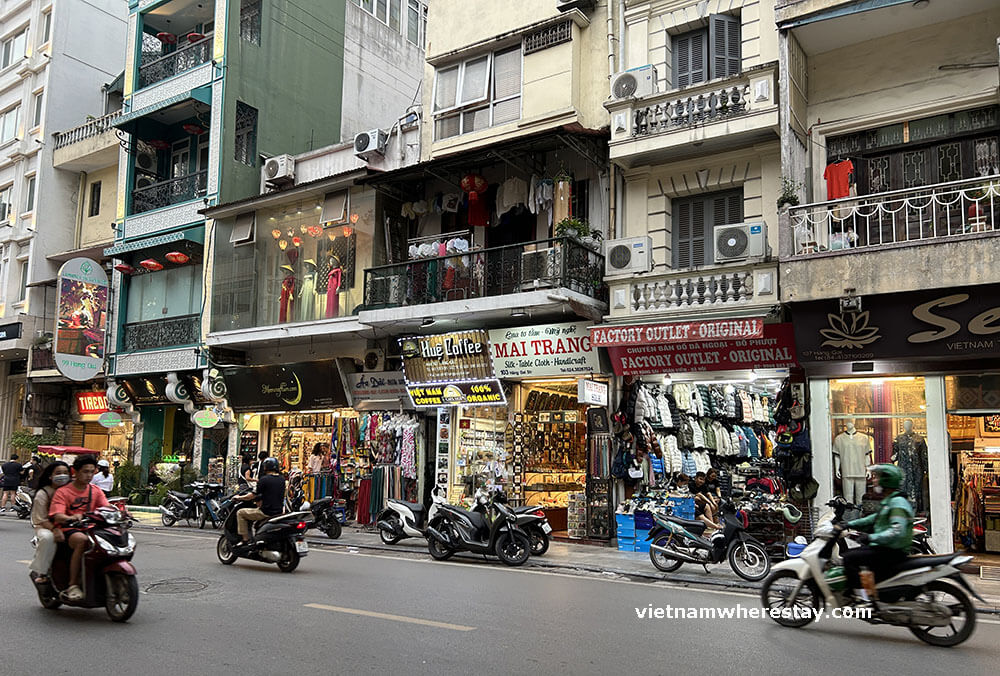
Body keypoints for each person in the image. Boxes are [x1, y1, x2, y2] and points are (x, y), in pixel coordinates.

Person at [839, 464, 914, 603]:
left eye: (878, 478)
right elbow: (874, 518)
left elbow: (897, 531)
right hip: (885, 548)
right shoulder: (890, 500)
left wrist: (871, 537)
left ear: (887, 481)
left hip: (890, 550)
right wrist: (849, 524)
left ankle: (862, 597)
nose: (874, 481)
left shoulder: (897, 503)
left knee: (849, 558)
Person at [49, 455, 110, 601]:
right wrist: (71, 517)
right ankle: (73, 585)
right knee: (82, 541)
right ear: (75, 472)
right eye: (85, 471)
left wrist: (121, 512)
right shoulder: (63, 492)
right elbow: (57, 515)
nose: (89, 475)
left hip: (92, 528)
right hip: (70, 529)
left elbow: (106, 507)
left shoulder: (95, 490)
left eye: (91, 472)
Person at [28, 461, 71, 584]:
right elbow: (41, 519)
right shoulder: (43, 494)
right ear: (50, 476)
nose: (62, 476)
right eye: (58, 473)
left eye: (65, 473)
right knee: (48, 538)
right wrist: (55, 529)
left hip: (69, 525)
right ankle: (43, 572)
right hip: (46, 526)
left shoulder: (72, 490)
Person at [233, 457, 285, 545]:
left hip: (266, 512)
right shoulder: (282, 479)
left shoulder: (264, 480)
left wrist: (239, 497)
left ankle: (245, 540)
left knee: (240, 513)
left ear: (265, 467)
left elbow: (252, 495)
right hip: (279, 511)